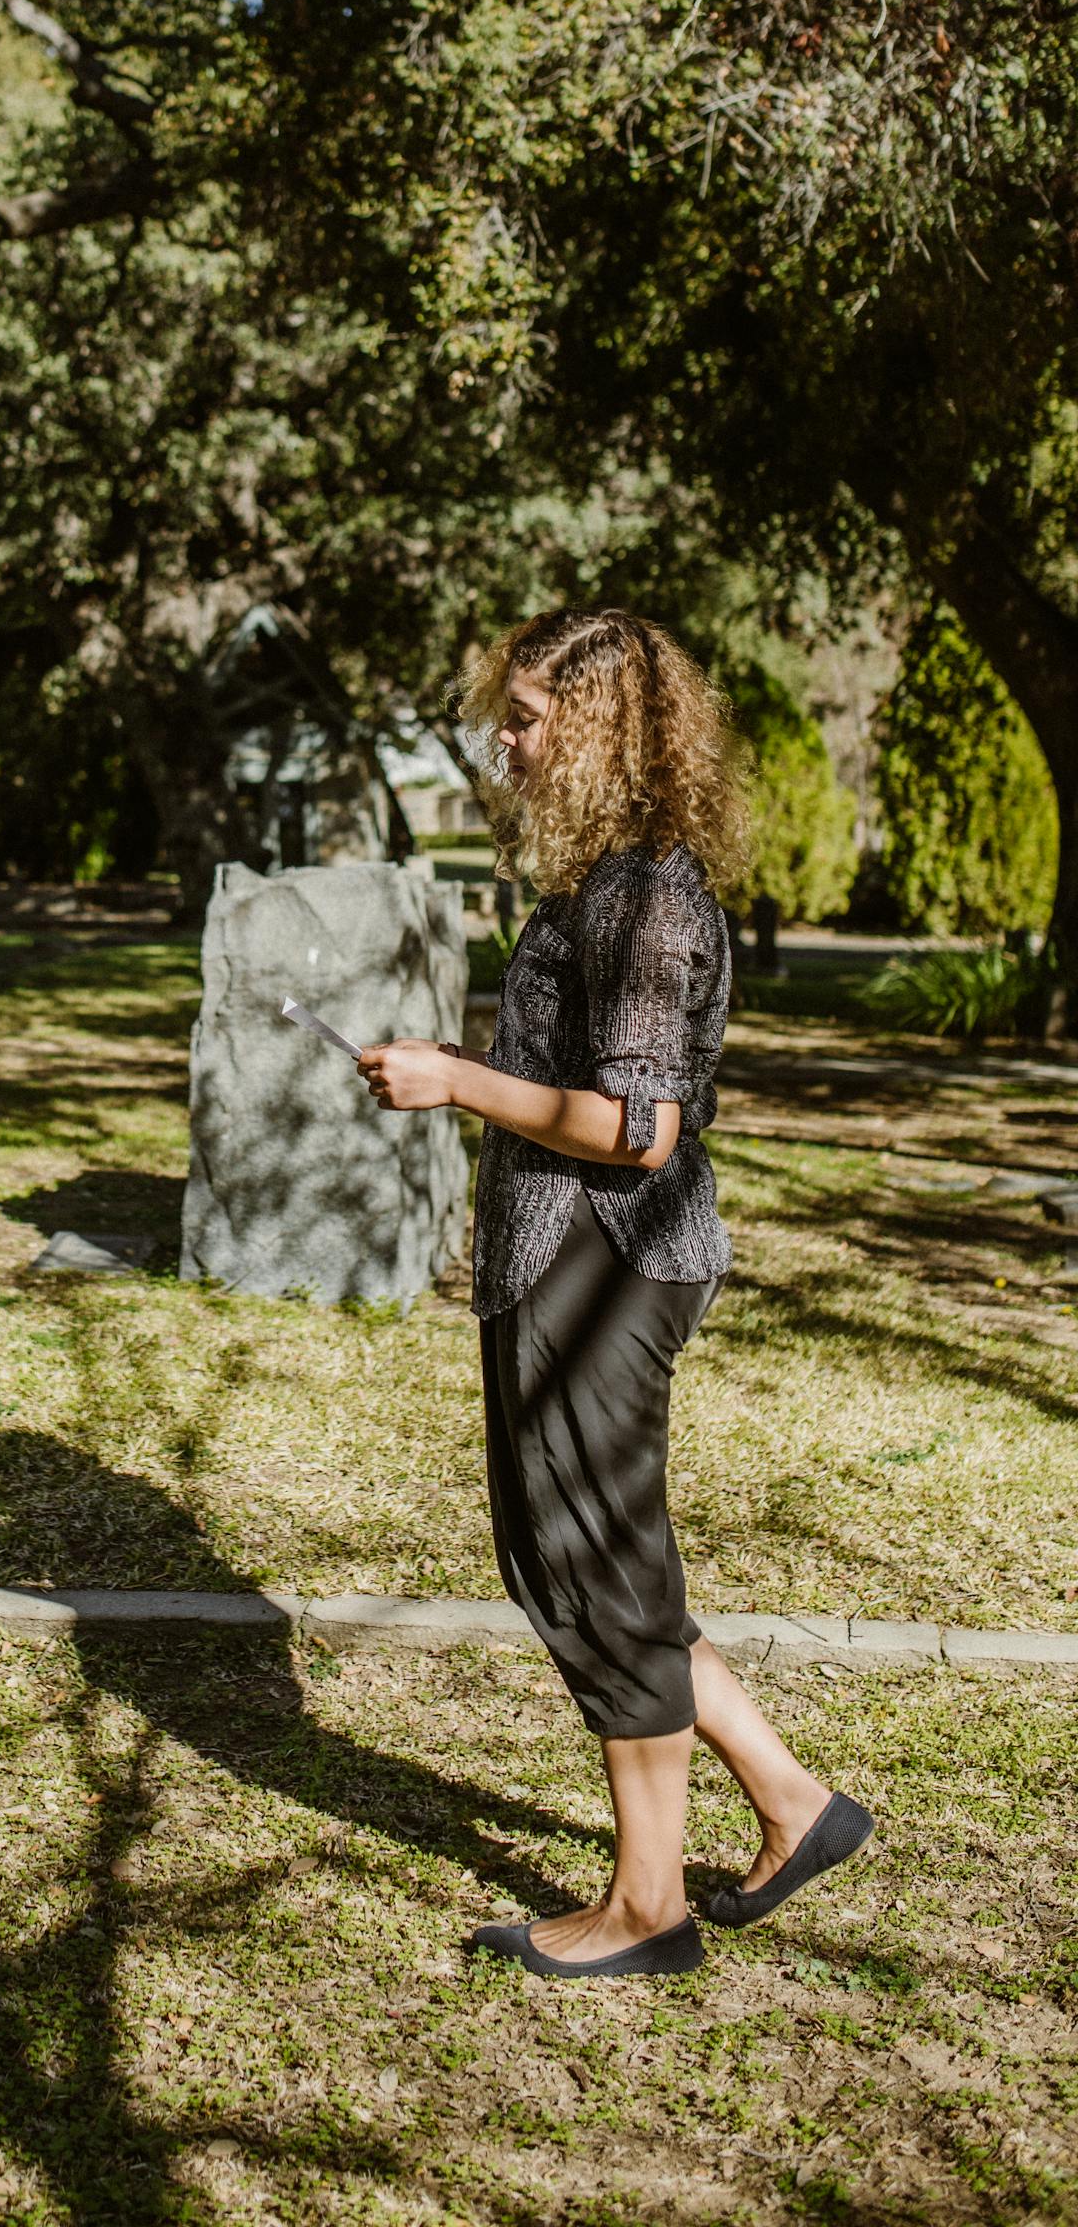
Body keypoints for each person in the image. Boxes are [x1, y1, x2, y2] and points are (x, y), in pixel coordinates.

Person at [359, 609, 872, 1981]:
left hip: (605, 1265)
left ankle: (647, 1908)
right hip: (563, 1260)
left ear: (597, 731)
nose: (504, 740)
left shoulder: (648, 897)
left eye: (527, 716)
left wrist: (457, 1079)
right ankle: (793, 1802)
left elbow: (638, 1128)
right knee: (584, 1563)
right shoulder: (603, 882)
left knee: (597, 1572)